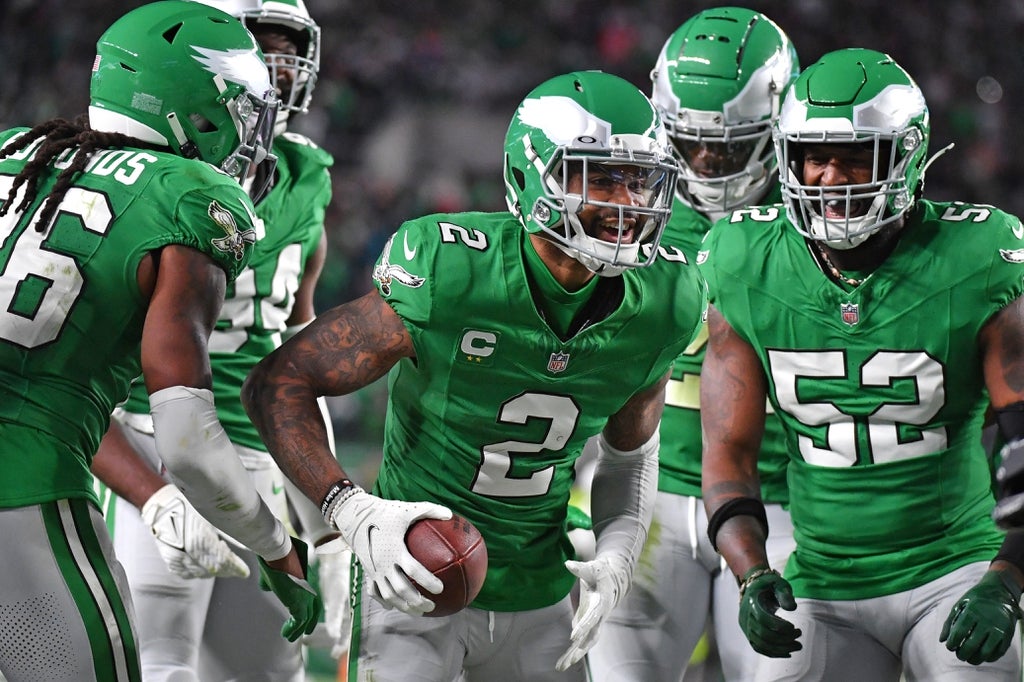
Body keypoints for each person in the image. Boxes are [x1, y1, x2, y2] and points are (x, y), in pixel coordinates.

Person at [241, 70, 708, 681]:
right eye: (598, 179)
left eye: (637, 181)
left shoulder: (665, 300)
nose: (626, 205)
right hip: (409, 576)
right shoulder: (452, 271)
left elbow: (629, 457)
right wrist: (352, 514)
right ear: (531, 176)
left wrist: (618, 553)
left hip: (543, 592)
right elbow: (277, 383)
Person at [0, 3, 325, 680]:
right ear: (191, 107)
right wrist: (278, 551)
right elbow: (185, 435)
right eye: (240, 103)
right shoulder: (188, 194)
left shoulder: (13, 150)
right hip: (25, 483)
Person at [698, 47, 1024, 680]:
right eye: (814, 158)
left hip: (956, 566)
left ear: (906, 158)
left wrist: (1008, 579)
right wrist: (751, 572)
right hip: (823, 576)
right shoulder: (743, 259)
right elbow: (729, 453)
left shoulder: (977, 256)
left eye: (855, 159)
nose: (829, 178)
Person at [87, 1, 345, 680]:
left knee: (268, 672)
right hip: (150, 447)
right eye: (258, 46)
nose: (277, 67)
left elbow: (301, 360)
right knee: (157, 667)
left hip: (258, 459)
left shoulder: (305, 176)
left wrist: (329, 522)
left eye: (289, 49)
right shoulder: (143, 177)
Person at [586, 8, 799, 681]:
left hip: (787, 501)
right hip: (647, 496)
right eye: (690, 142)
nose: (707, 161)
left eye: (730, 145)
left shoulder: (827, 224)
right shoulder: (621, 210)